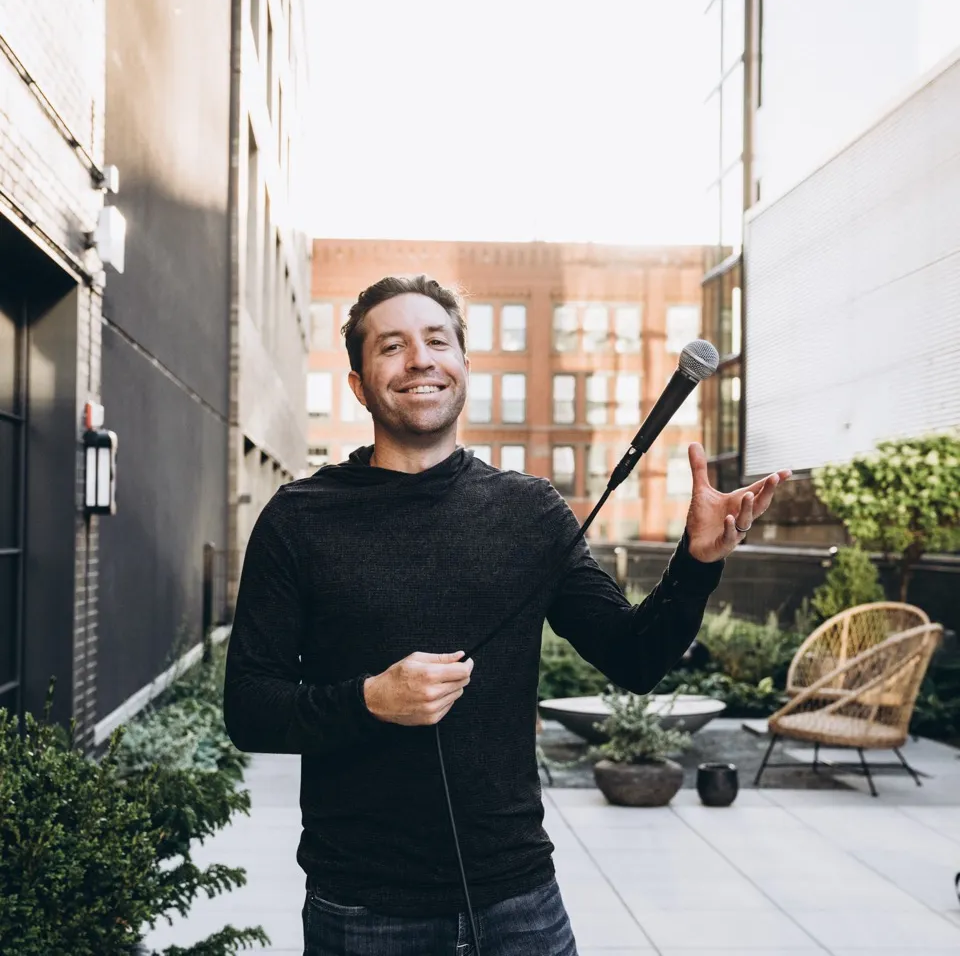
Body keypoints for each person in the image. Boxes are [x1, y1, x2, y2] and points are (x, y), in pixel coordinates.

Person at [223, 275, 791, 956]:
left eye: (437, 341)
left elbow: (635, 659)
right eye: (392, 347)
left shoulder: (530, 512)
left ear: (464, 366)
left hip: (519, 900)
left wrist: (697, 563)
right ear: (357, 384)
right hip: (364, 907)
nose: (420, 360)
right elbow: (250, 709)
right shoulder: (298, 520)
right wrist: (371, 700)